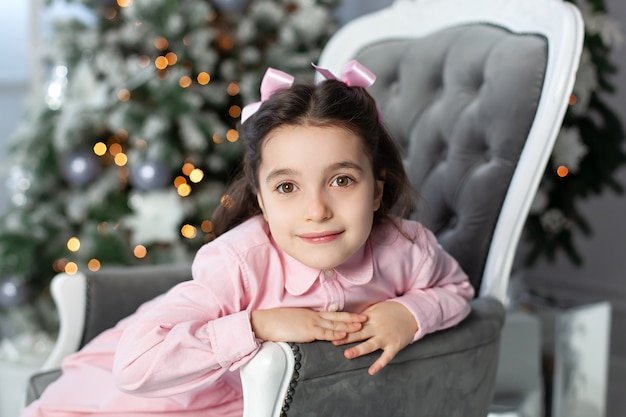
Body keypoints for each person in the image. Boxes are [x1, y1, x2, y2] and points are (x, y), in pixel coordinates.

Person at [21, 60, 474, 417]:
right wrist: (256, 325)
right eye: (287, 187)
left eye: (341, 181)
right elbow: (136, 365)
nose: (316, 210)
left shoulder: (406, 247)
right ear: (261, 199)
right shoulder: (240, 262)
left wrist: (410, 312)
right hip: (152, 403)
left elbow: (458, 290)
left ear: (376, 190)